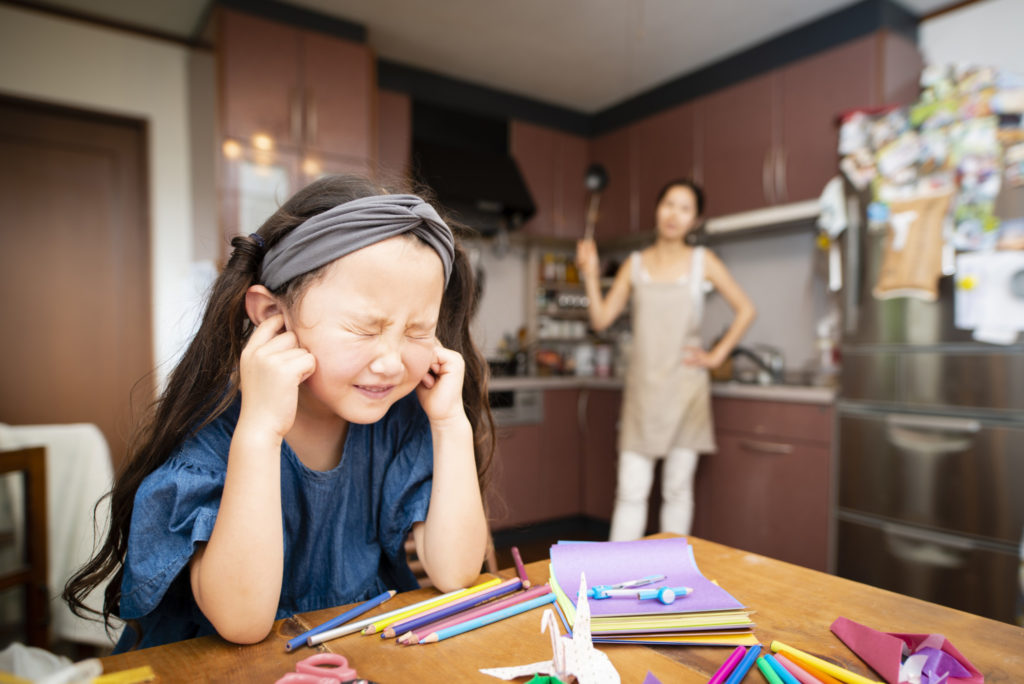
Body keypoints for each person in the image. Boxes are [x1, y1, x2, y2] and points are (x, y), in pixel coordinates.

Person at [63, 175, 494, 651]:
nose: (392, 362)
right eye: (362, 327)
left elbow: (455, 573)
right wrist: (261, 433)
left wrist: (450, 422)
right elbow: (243, 622)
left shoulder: (399, 424)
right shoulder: (212, 438)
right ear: (272, 316)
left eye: (418, 331)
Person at [577, 179, 754, 541]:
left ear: (696, 219)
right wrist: (591, 275)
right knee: (630, 492)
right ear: (657, 209)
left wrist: (715, 355)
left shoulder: (703, 262)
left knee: (676, 491)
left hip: (686, 392)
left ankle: (671, 577)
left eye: (685, 208)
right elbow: (601, 319)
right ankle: (615, 582)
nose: (674, 214)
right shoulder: (635, 264)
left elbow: (746, 309)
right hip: (643, 393)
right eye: (668, 204)